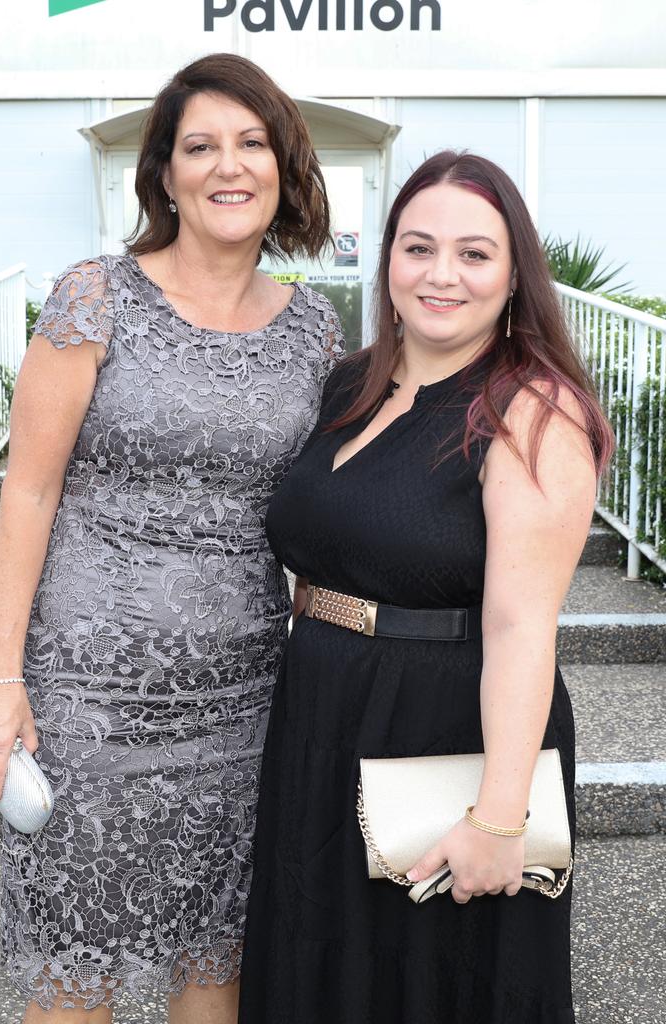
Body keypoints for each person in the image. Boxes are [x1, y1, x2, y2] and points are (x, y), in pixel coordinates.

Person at [0, 53, 341, 1024]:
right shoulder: (95, 297)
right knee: (75, 969)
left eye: (252, 143)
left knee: (214, 962)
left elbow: (326, 514)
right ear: (164, 176)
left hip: (245, 706)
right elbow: (30, 495)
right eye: (200, 146)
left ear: (285, 168)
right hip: (89, 704)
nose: (229, 165)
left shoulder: (315, 330)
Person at [238, 150, 614, 1023]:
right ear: (389, 261)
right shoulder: (351, 383)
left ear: (515, 274)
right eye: (418, 247)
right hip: (322, 711)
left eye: (475, 253)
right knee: (318, 965)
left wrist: (499, 818)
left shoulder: (530, 411)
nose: (442, 274)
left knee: (436, 981)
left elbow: (523, 629)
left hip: (448, 727)